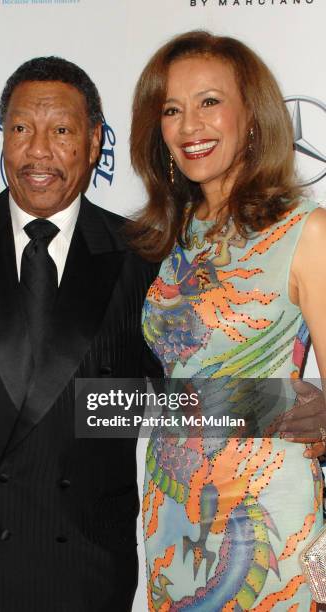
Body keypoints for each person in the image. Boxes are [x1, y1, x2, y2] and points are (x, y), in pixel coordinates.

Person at [0, 56, 161, 612]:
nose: (38, 152)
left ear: (95, 141)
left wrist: (279, 409)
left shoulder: (143, 254)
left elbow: (173, 404)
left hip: (87, 569)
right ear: (1, 137)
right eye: (21, 129)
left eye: (62, 131)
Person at [130, 31, 326, 611]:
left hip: (270, 514)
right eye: (172, 109)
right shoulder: (168, 239)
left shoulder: (305, 232)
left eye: (210, 102)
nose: (191, 125)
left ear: (253, 115)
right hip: (174, 516)